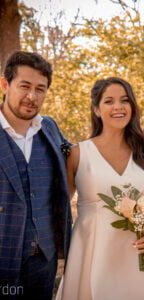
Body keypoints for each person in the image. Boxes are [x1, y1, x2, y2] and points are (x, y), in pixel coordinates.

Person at [56, 77, 144, 300]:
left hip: (140, 254)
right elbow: (59, 207)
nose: (118, 107)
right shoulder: (77, 153)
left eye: (124, 100)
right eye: (109, 101)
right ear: (97, 110)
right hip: (91, 251)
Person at [0, 51, 72, 300]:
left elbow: (80, 161)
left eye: (40, 89)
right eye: (25, 86)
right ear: (5, 85)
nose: (32, 96)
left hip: (44, 259)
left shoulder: (49, 127)